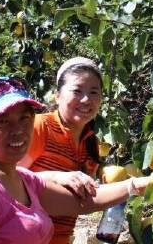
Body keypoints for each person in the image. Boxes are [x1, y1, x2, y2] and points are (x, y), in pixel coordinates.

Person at [0, 77, 148, 244]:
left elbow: (83, 202)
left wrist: (136, 185)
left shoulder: (24, 180)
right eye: (3, 122)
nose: (18, 130)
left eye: (25, 118)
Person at [18, 57, 104, 244]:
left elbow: (78, 201)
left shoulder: (91, 144)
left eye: (94, 92)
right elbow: (5, 179)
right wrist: (56, 177)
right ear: (57, 95)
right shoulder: (41, 127)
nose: (86, 99)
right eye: (77, 91)